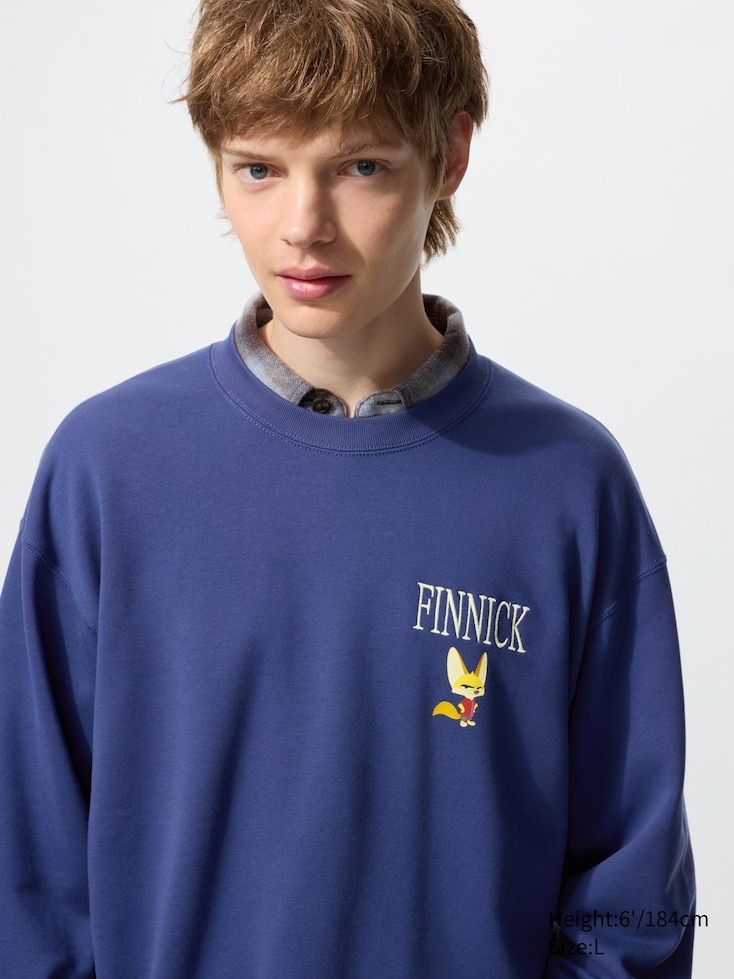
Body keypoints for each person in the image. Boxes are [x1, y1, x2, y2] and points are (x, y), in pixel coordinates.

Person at [0, 0, 695, 975]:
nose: (302, 228)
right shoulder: (107, 469)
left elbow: (631, 903)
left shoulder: (569, 487)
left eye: (359, 167)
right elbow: (26, 880)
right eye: (258, 168)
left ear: (449, 156)